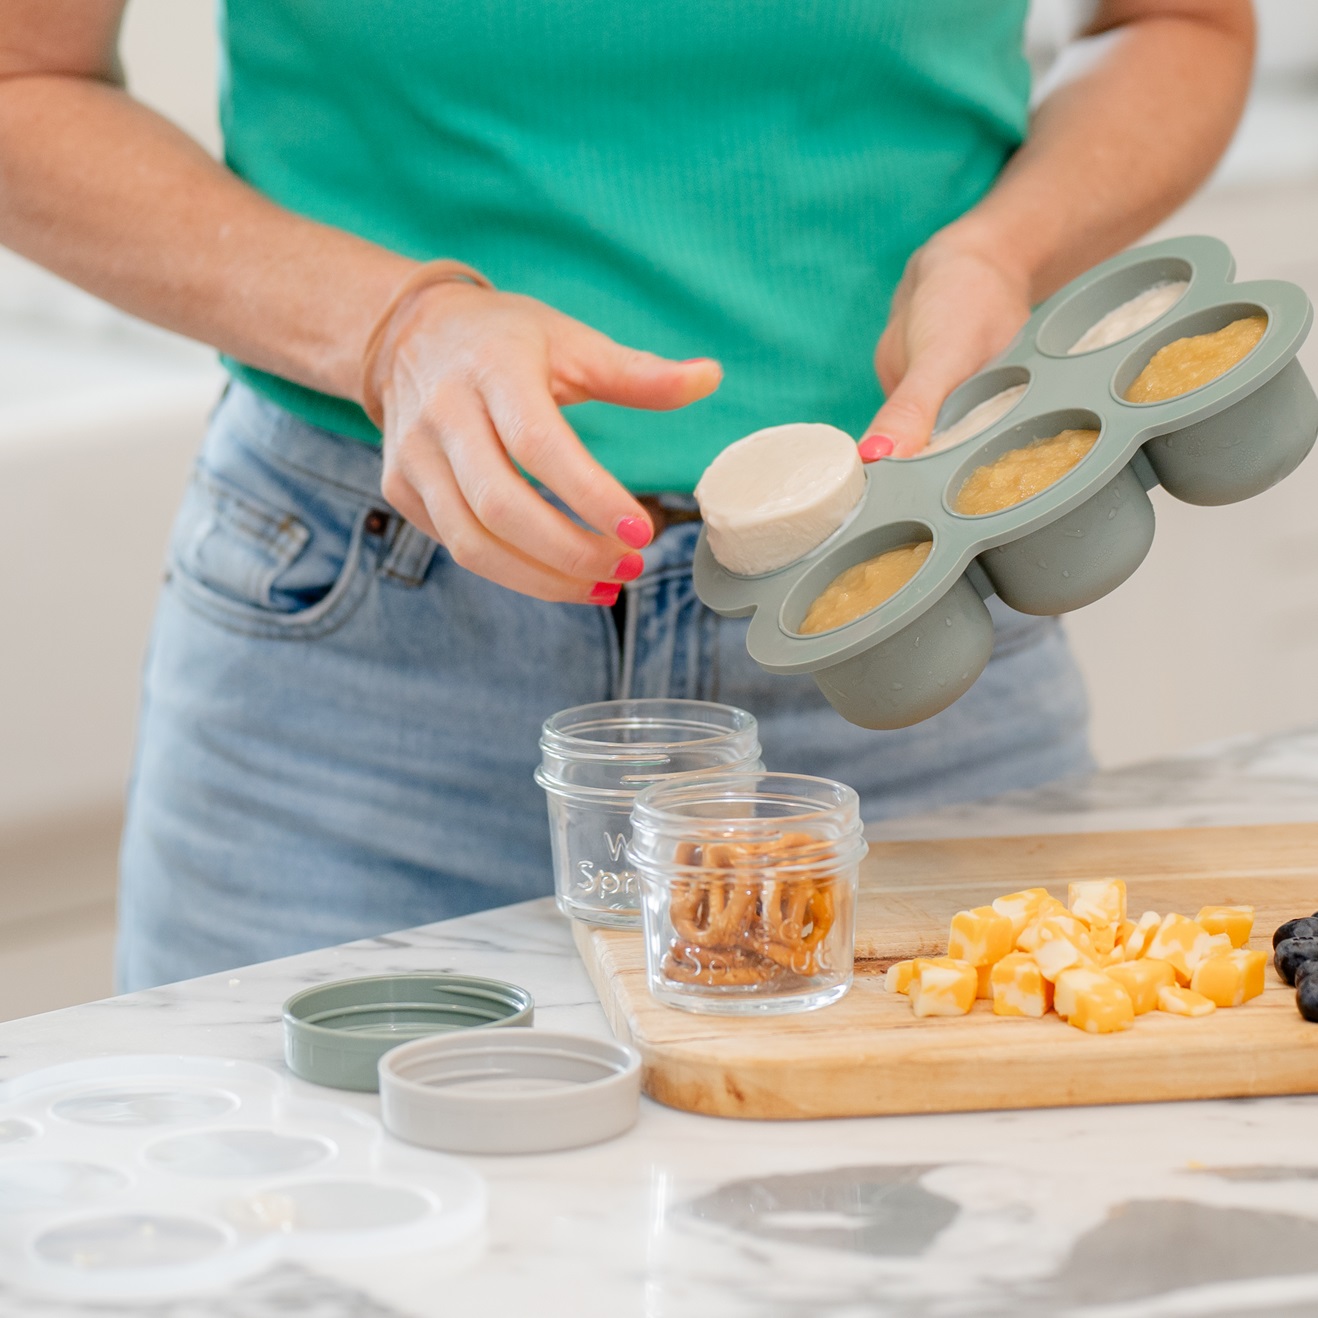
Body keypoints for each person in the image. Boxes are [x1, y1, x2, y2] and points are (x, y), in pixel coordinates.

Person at [0, 1, 1254, 988]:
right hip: (360, 656)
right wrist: (389, 329)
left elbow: (1180, 22)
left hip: (908, 617)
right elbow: (22, 76)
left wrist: (1005, 246)